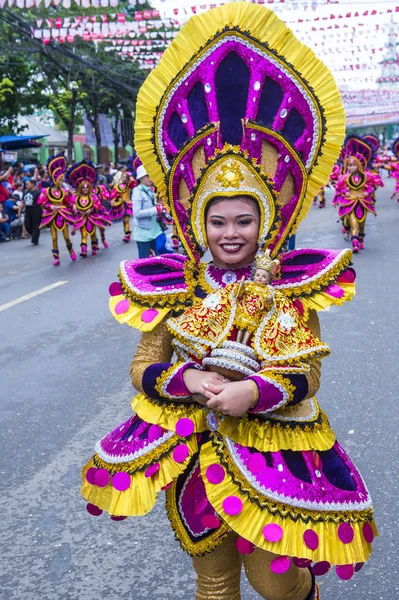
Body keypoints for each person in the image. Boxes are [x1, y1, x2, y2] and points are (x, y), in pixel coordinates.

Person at [81, 5, 376, 599]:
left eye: (245, 219)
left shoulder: (291, 284)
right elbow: (143, 367)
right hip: (190, 450)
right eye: (218, 221)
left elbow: (308, 374)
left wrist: (253, 391)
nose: (231, 232)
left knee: (277, 588)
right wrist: (185, 379)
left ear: (264, 220)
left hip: (269, 451)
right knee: (212, 584)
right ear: (199, 222)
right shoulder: (171, 284)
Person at [38, 154, 76, 266]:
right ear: (55, 180)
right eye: (60, 179)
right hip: (52, 215)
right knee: (54, 238)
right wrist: (50, 206)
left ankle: (71, 250)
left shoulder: (64, 192)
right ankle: (56, 257)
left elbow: (68, 202)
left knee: (66, 236)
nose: (62, 181)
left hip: (63, 215)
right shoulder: (46, 191)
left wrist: (73, 206)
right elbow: (41, 203)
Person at [67, 161, 111, 257]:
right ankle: (84, 250)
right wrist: (75, 208)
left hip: (92, 217)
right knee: (83, 234)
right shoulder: (76, 196)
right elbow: (71, 204)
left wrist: (90, 210)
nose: (85, 190)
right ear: (80, 188)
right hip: (81, 217)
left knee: (92, 232)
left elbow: (98, 205)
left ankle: (96, 245)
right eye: (83, 188)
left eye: (87, 188)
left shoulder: (94, 195)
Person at [131, 164, 166, 258]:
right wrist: (156, 210)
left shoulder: (151, 191)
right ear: (140, 178)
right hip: (144, 234)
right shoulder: (137, 191)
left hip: (157, 231)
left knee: (163, 259)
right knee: (144, 263)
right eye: (147, 176)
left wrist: (161, 208)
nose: (150, 178)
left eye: (151, 175)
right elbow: (137, 213)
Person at [108, 171, 136, 242]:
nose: (124, 178)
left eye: (126, 177)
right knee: (124, 220)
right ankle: (126, 232)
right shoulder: (117, 186)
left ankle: (127, 235)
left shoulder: (129, 185)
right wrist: (114, 200)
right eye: (123, 177)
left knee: (126, 220)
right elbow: (113, 195)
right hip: (120, 205)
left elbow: (133, 182)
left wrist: (130, 175)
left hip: (127, 204)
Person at [23, 179, 42, 246]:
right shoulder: (25, 192)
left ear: (32, 184)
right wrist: (19, 210)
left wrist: (44, 211)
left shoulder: (38, 192)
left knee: (36, 225)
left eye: (28, 184)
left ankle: (35, 240)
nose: (26, 186)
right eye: (26, 184)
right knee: (27, 224)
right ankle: (35, 233)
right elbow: (23, 202)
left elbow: (41, 203)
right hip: (28, 210)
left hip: (36, 210)